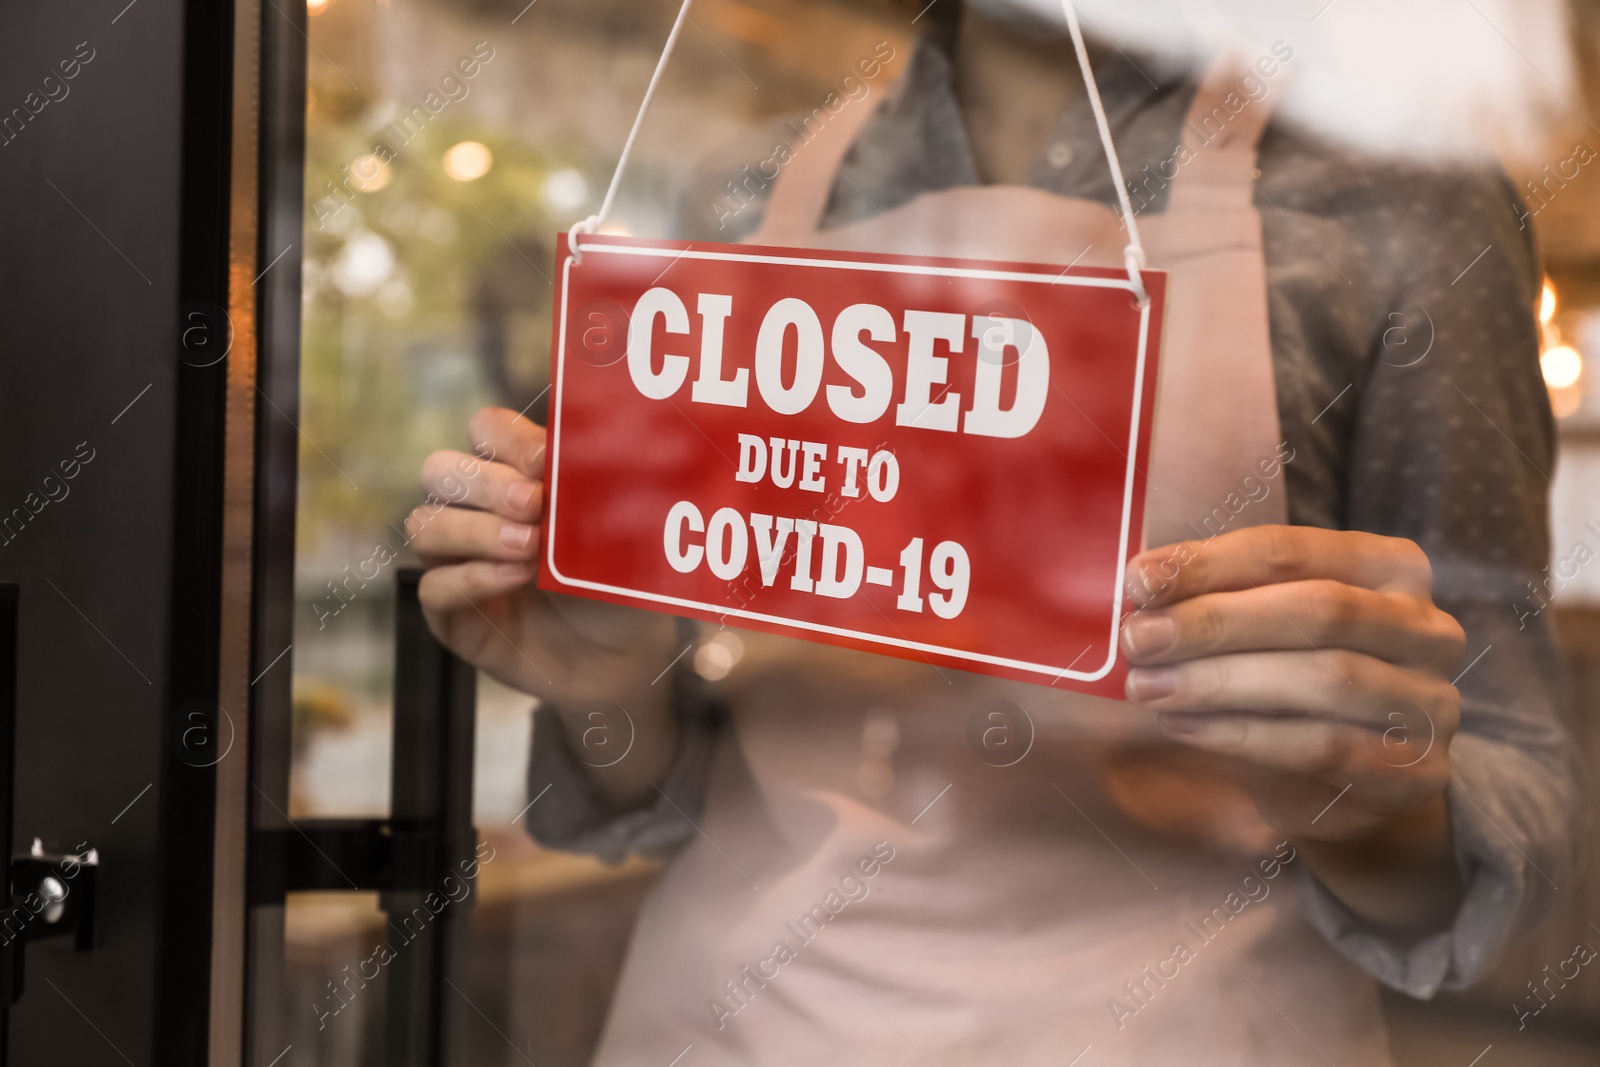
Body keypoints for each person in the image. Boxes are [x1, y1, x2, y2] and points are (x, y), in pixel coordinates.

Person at [408, 3, 1582, 1063]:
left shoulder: (1405, 198)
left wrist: (1373, 800)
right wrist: (609, 682)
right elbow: (671, 775)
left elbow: (1513, 791)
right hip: (722, 1018)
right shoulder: (745, 187)